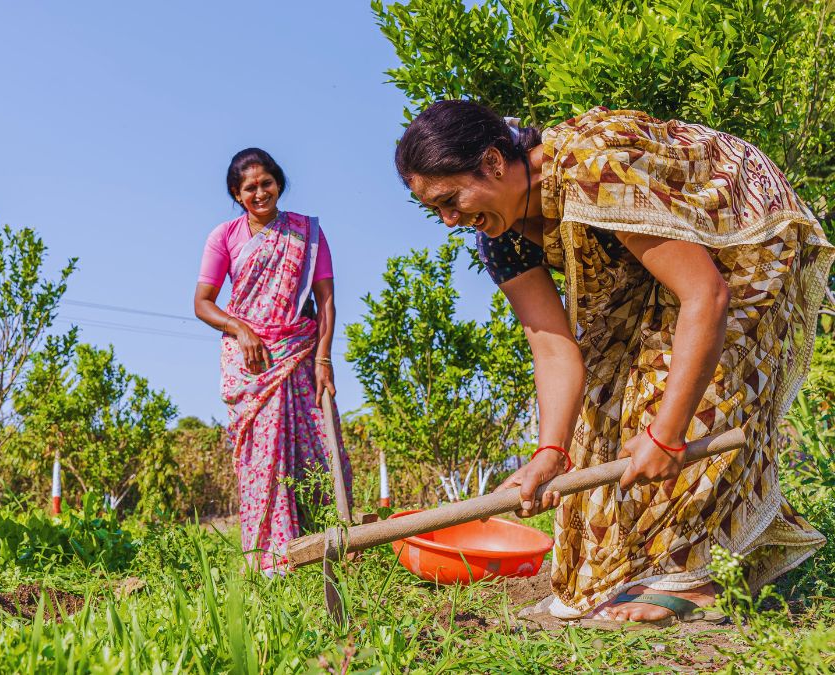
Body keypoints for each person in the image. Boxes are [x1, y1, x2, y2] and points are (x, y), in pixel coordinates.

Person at [394, 101, 833, 625]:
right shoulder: (501, 239)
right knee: (598, 416)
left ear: (492, 163)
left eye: (450, 199)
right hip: (650, 266)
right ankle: (628, 576)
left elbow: (705, 295)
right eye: (434, 210)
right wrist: (550, 453)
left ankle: (694, 578)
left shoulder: (590, 169)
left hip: (740, 230)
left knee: (693, 385)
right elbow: (556, 350)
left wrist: (668, 435)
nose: (449, 220)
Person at [193, 148, 351, 575]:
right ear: (236, 193)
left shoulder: (307, 233)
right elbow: (202, 304)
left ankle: (331, 547)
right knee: (263, 461)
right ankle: (272, 562)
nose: (260, 192)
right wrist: (240, 328)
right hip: (254, 365)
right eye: (250, 188)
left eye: (267, 183)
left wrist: (324, 359)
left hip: (302, 352)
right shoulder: (224, 236)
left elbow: (326, 300)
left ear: (279, 182)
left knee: (319, 448)